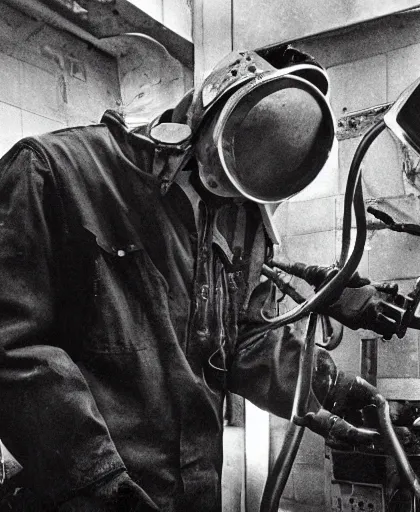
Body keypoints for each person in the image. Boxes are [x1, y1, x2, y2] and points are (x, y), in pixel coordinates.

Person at [0, 46, 398, 511]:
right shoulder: (57, 173)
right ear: (204, 109)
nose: (230, 195)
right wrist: (98, 483)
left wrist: (333, 389)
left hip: (191, 495)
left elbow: (247, 341)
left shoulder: (240, 220)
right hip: (85, 497)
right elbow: (11, 346)